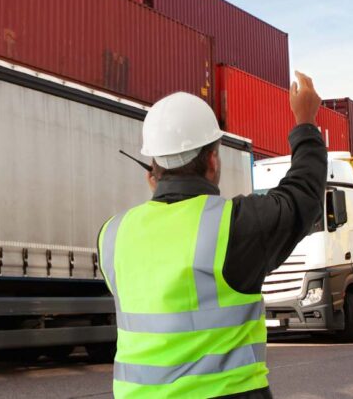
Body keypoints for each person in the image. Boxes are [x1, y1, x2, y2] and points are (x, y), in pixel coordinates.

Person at [99, 71, 328, 399]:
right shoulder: (233, 226)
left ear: (154, 166)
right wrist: (305, 122)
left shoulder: (112, 234)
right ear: (212, 160)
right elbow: (302, 195)